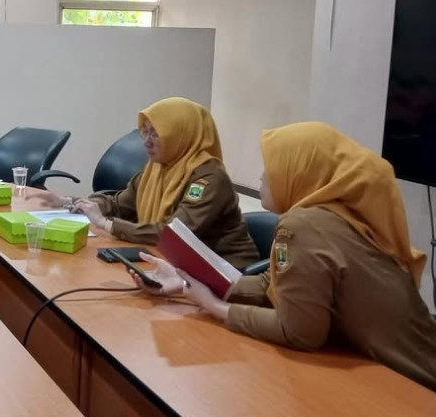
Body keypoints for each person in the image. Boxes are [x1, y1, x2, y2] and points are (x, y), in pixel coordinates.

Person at [131, 122, 436, 392]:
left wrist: (213, 306)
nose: (261, 177)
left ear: (299, 172)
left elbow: (300, 333)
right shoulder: (328, 216)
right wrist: (186, 284)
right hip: (391, 364)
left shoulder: (303, 225)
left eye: (272, 167)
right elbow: (272, 283)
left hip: (413, 383)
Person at [28, 97, 258, 269]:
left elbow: (173, 236)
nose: (146, 142)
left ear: (181, 135)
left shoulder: (209, 178)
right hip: (172, 262)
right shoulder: (158, 168)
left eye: (156, 134)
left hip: (223, 270)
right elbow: (119, 204)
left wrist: (106, 224)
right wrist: (69, 201)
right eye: (144, 132)